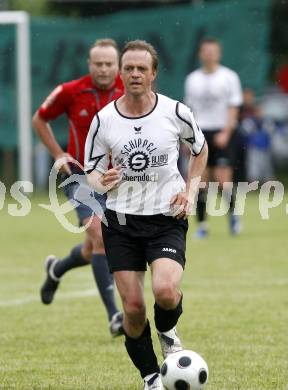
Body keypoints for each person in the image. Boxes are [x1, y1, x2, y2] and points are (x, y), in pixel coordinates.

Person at [84, 40, 208, 389]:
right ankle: (152, 377)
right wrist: (101, 179)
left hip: (165, 217)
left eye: (141, 68)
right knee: (134, 308)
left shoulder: (175, 112)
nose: (134, 74)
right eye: (129, 68)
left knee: (166, 292)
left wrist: (190, 189)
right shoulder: (104, 120)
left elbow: (200, 149)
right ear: (121, 74)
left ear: (153, 73)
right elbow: (91, 170)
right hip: (121, 221)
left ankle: (167, 328)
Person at [32, 38, 124, 337]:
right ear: (89, 64)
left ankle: (56, 269)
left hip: (116, 181)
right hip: (79, 176)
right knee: (99, 233)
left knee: (91, 248)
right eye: (98, 64)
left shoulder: (130, 90)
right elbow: (39, 119)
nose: (104, 69)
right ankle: (114, 317)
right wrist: (59, 154)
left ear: (117, 65)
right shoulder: (71, 91)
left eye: (109, 64)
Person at [184, 38, 243, 238]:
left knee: (222, 180)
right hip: (201, 134)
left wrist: (226, 132)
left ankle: (234, 217)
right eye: (206, 51)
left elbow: (234, 107)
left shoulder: (229, 77)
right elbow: (189, 111)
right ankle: (202, 226)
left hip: (222, 132)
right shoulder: (192, 79)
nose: (209, 55)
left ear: (219, 54)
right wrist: (188, 138)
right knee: (200, 182)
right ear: (201, 54)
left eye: (213, 51)